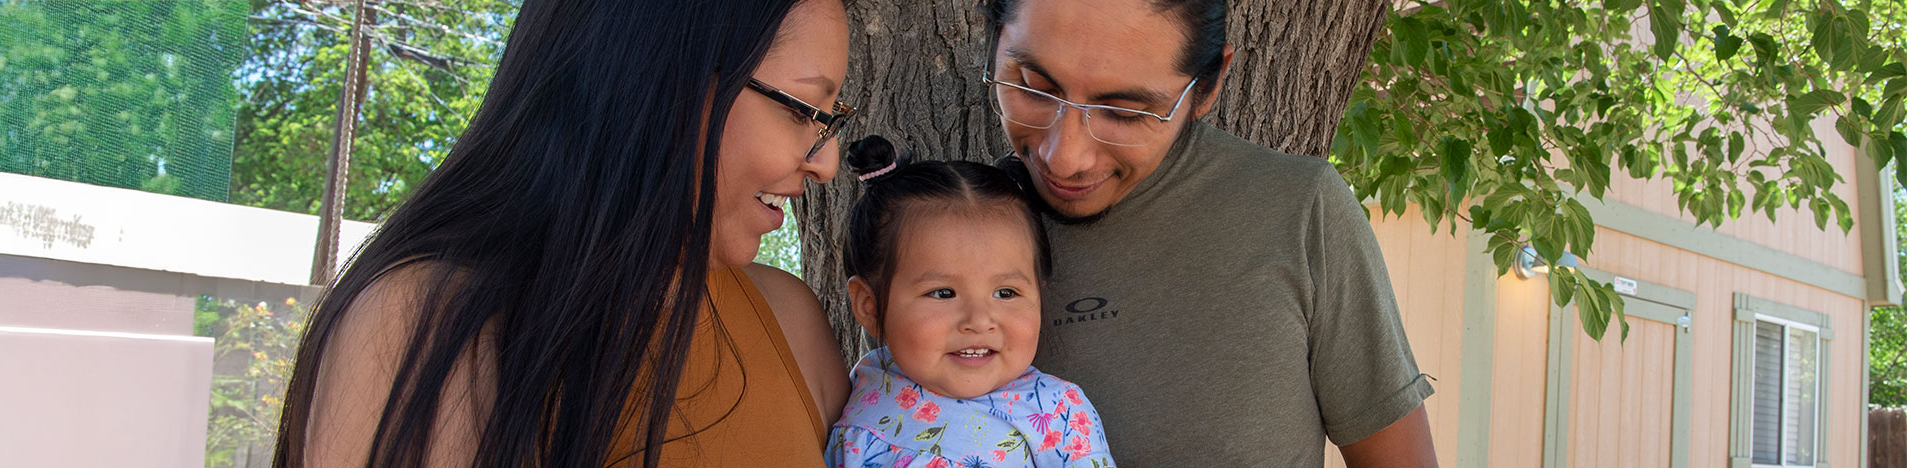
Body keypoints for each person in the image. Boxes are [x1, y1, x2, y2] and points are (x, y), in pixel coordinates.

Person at [269, 0, 854, 466]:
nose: (826, 164)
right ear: (653, 75)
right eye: (803, 108)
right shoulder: (427, 325)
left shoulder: (790, 322)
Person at [982, 0, 1440, 466]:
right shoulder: (949, 230)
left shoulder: (1298, 213)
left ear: (1208, 86)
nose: (1065, 157)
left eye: (1125, 112)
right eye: (1033, 88)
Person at [822, 136, 1114, 468]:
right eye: (943, 293)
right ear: (869, 306)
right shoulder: (861, 386)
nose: (979, 319)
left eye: (1006, 293)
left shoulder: (1057, 413)